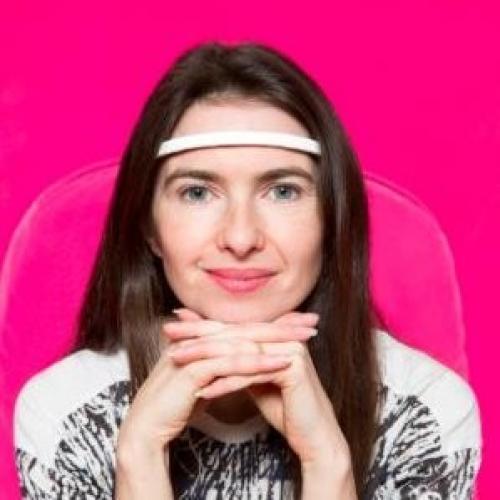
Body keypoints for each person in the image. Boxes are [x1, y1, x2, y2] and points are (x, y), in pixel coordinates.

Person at [13, 41, 482, 499]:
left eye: (283, 191)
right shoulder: (67, 416)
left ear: (332, 219)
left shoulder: (424, 415)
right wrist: (139, 458)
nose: (240, 239)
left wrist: (328, 464)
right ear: (149, 227)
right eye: (197, 193)